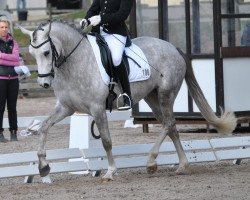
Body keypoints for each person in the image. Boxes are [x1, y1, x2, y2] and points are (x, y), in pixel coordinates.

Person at [80, 0, 134, 110]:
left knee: (116, 58)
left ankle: (127, 95)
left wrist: (101, 19)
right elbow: (94, 9)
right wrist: (86, 19)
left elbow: (122, 15)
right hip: (98, 33)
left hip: (116, 33)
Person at [0, 15, 20, 142]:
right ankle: (0, 134)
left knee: (12, 107)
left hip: (13, 78)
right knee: (0, 107)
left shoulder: (14, 42)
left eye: (6, 27)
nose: (4, 29)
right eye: (1, 27)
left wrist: (2, 57)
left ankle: (14, 132)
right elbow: (13, 59)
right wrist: (10, 59)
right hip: (0, 78)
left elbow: (16, 58)